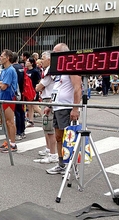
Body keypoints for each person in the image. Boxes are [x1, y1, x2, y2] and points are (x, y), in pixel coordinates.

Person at [45, 43, 82, 175]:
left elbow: (78, 88)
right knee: (58, 137)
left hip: (66, 108)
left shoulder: (72, 67)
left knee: (69, 138)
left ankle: (71, 166)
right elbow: (57, 89)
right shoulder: (59, 69)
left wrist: (75, 108)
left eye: (55, 52)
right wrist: (50, 105)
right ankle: (61, 164)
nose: (53, 55)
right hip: (57, 108)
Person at [35, 50, 58, 164]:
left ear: (49, 59)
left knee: (50, 128)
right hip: (47, 99)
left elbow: (39, 87)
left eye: (43, 58)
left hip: (49, 99)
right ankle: (49, 150)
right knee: (47, 127)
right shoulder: (47, 70)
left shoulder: (50, 70)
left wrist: (38, 86)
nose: (41, 61)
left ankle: (53, 154)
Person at [0, 49, 18, 152]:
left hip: (9, 97)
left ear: (7, 58)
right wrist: (0, 83)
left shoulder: (10, 70)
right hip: (3, 98)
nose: (0, 58)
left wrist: (0, 83)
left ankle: (12, 144)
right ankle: (8, 141)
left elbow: (3, 86)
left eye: (2, 56)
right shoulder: (3, 70)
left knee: (10, 121)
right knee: (5, 122)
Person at [11, 52, 26, 140]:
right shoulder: (21, 67)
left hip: (16, 92)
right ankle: (22, 130)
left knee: (16, 112)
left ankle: (18, 131)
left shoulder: (12, 68)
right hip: (22, 91)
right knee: (21, 112)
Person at [25, 57, 42, 127]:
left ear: (31, 63)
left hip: (34, 90)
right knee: (29, 106)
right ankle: (31, 121)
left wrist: (38, 89)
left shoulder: (35, 71)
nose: (26, 62)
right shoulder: (26, 71)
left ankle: (45, 117)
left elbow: (39, 80)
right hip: (28, 91)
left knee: (35, 107)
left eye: (28, 61)